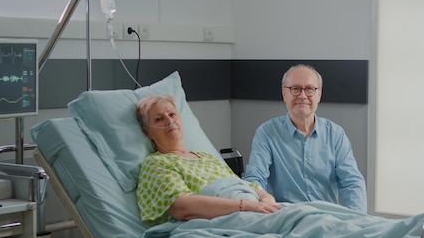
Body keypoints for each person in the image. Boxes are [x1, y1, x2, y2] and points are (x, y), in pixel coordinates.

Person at [135, 95, 279, 225]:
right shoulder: (156, 163)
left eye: (172, 114)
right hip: (230, 218)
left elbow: (243, 185)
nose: (169, 121)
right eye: (159, 119)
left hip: (255, 209)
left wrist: (267, 200)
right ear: (147, 131)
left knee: (300, 213)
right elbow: (182, 207)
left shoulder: (207, 157)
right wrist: (245, 206)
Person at [243, 64, 368, 212]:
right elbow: (254, 178)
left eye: (309, 89)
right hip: (286, 217)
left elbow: (351, 182)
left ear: (319, 95)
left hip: (327, 218)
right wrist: (263, 198)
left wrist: (357, 218)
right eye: (295, 89)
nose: (302, 96)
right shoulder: (267, 133)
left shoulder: (335, 134)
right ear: (284, 94)